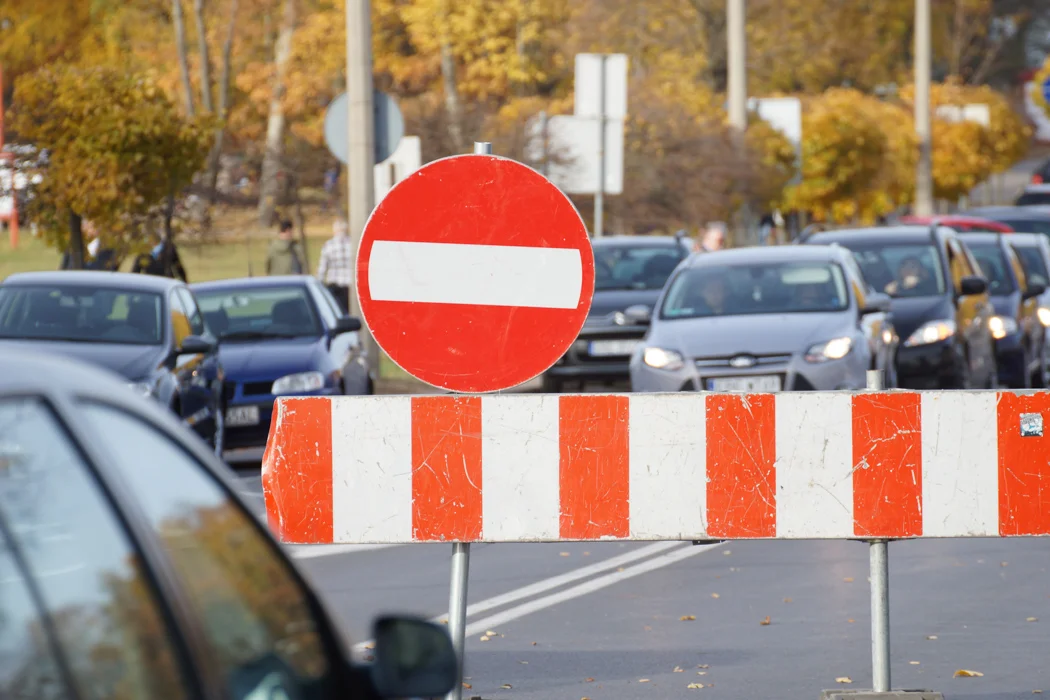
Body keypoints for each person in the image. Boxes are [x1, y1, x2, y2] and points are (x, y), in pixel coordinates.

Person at [316, 219, 353, 313]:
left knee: (337, 312)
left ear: (334, 231)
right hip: (350, 285)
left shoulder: (329, 245)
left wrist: (319, 284)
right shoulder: (353, 244)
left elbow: (322, 268)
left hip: (334, 285)